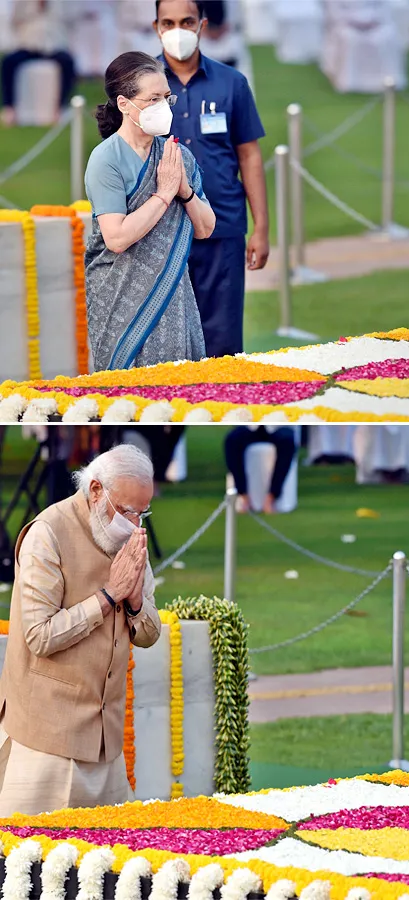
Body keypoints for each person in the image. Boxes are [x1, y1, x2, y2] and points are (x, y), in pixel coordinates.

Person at [0, 444, 161, 815]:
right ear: (95, 490)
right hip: (45, 740)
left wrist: (135, 602)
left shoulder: (131, 537)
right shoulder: (48, 533)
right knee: (31, 863)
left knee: (111, 861)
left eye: (143, 512)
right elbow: (40, 635)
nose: (135, 523)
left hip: (107, 742)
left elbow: (149, 633)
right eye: (126, 511)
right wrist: (109, 597)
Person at [84, 52, 215, 372]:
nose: (163, 107)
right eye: (153, 99)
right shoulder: (106, 160)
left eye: (166, 98)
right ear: (125, 104)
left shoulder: (175, 155)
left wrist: (184, 193)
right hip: (119, 295)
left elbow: (206, 228)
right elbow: (116, 238)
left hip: (172, 293)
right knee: (128, 401)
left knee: (177, 398)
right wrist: (164, 194)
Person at [154, 0, 269, 359]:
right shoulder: (141, 88)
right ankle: (171, 415)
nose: (178, 31)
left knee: (224, 343)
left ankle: (231, 413)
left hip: (223, 226)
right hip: (161, 232)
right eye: (168, 22)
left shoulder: (232, 83)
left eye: (186, 21)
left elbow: (249, 155)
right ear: (156, 26)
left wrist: (261, 228)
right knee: (167, 347)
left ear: (202, 24)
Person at [1, 0, 76, 127]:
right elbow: (15, 20)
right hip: (28, 44)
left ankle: (60, 107)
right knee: (9, 62)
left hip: (53, 44)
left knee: (67, 62)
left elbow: (69, 20)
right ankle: (10, 107)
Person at [224, 425, 296, 514]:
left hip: (277, 427)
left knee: (287, 441)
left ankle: (272, 496)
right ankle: (243, 495)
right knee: (232, 440)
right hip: (251, 427)